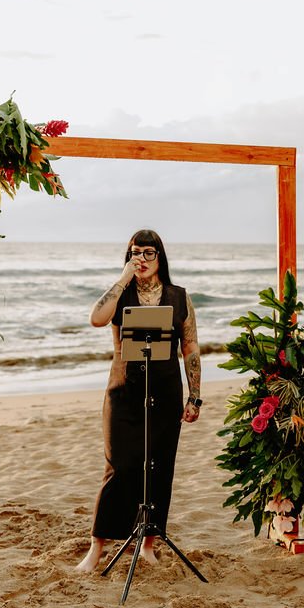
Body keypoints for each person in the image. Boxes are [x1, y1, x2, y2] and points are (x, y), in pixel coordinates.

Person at [76, 229, 203, 572]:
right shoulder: (121, 294)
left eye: (149, 253)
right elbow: (96, 318)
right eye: (136, 253)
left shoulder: (179, 296)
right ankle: (97, 547)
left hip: (165, 391)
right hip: (123, 390)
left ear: (161, 257)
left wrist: (195, 396)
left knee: (159, 467)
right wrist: (123, 277)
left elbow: (189, 346)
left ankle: (148, 543)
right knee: (119, 465)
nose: (142, 259)